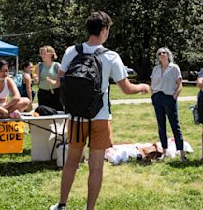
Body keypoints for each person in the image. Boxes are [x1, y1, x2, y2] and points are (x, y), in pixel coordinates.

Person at [50, 11, 150, 210]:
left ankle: (62, 205)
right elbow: (126, 88)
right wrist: (143, 87)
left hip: (77, 116)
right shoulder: (111, 56)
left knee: (71, 161)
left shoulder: (72, 51)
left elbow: (60, 81)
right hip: (99, 116)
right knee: (96, 166)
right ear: (103, 29)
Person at [150, 47, 188, 162]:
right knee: (161, 126)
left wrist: (174, 97)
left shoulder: (174, 68)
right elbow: (152, 84)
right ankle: (164, 152)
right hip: (157, 97)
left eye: (164, 53)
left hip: (169, 98)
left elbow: (179, 84)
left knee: (174, 125)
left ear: (168, 55)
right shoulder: (156, 69)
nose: (161, 54)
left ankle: (182, 153)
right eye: (159, 53)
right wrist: (153, 96)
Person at [33, 45, 63, 111]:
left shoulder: (57, 66)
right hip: (42, 93)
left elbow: (62, 81)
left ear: (51, 54)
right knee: (44, 114)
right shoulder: (39, 66)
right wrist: (35, 79)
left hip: (56, 93)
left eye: (44, 53)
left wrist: (53, 82)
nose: (42, 55)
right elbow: (36, 82)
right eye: (41, 54)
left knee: (58, 113)